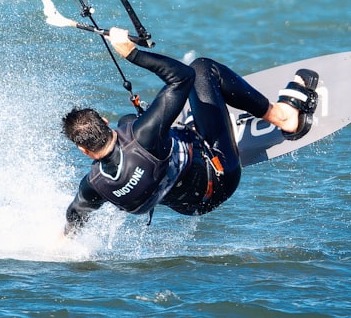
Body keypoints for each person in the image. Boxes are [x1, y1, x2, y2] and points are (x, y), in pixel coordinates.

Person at [62, 27, 319, 235]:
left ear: (84, 150)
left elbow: (75, 214)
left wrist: (63, 242)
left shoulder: (94, 185)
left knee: (134, 119)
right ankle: (285, 118)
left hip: (191, 206)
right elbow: (183, 76)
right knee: (202, 69)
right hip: (221, 175)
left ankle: (188, 133)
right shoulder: (143, 135)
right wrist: (132, 54)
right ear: (104, 123)